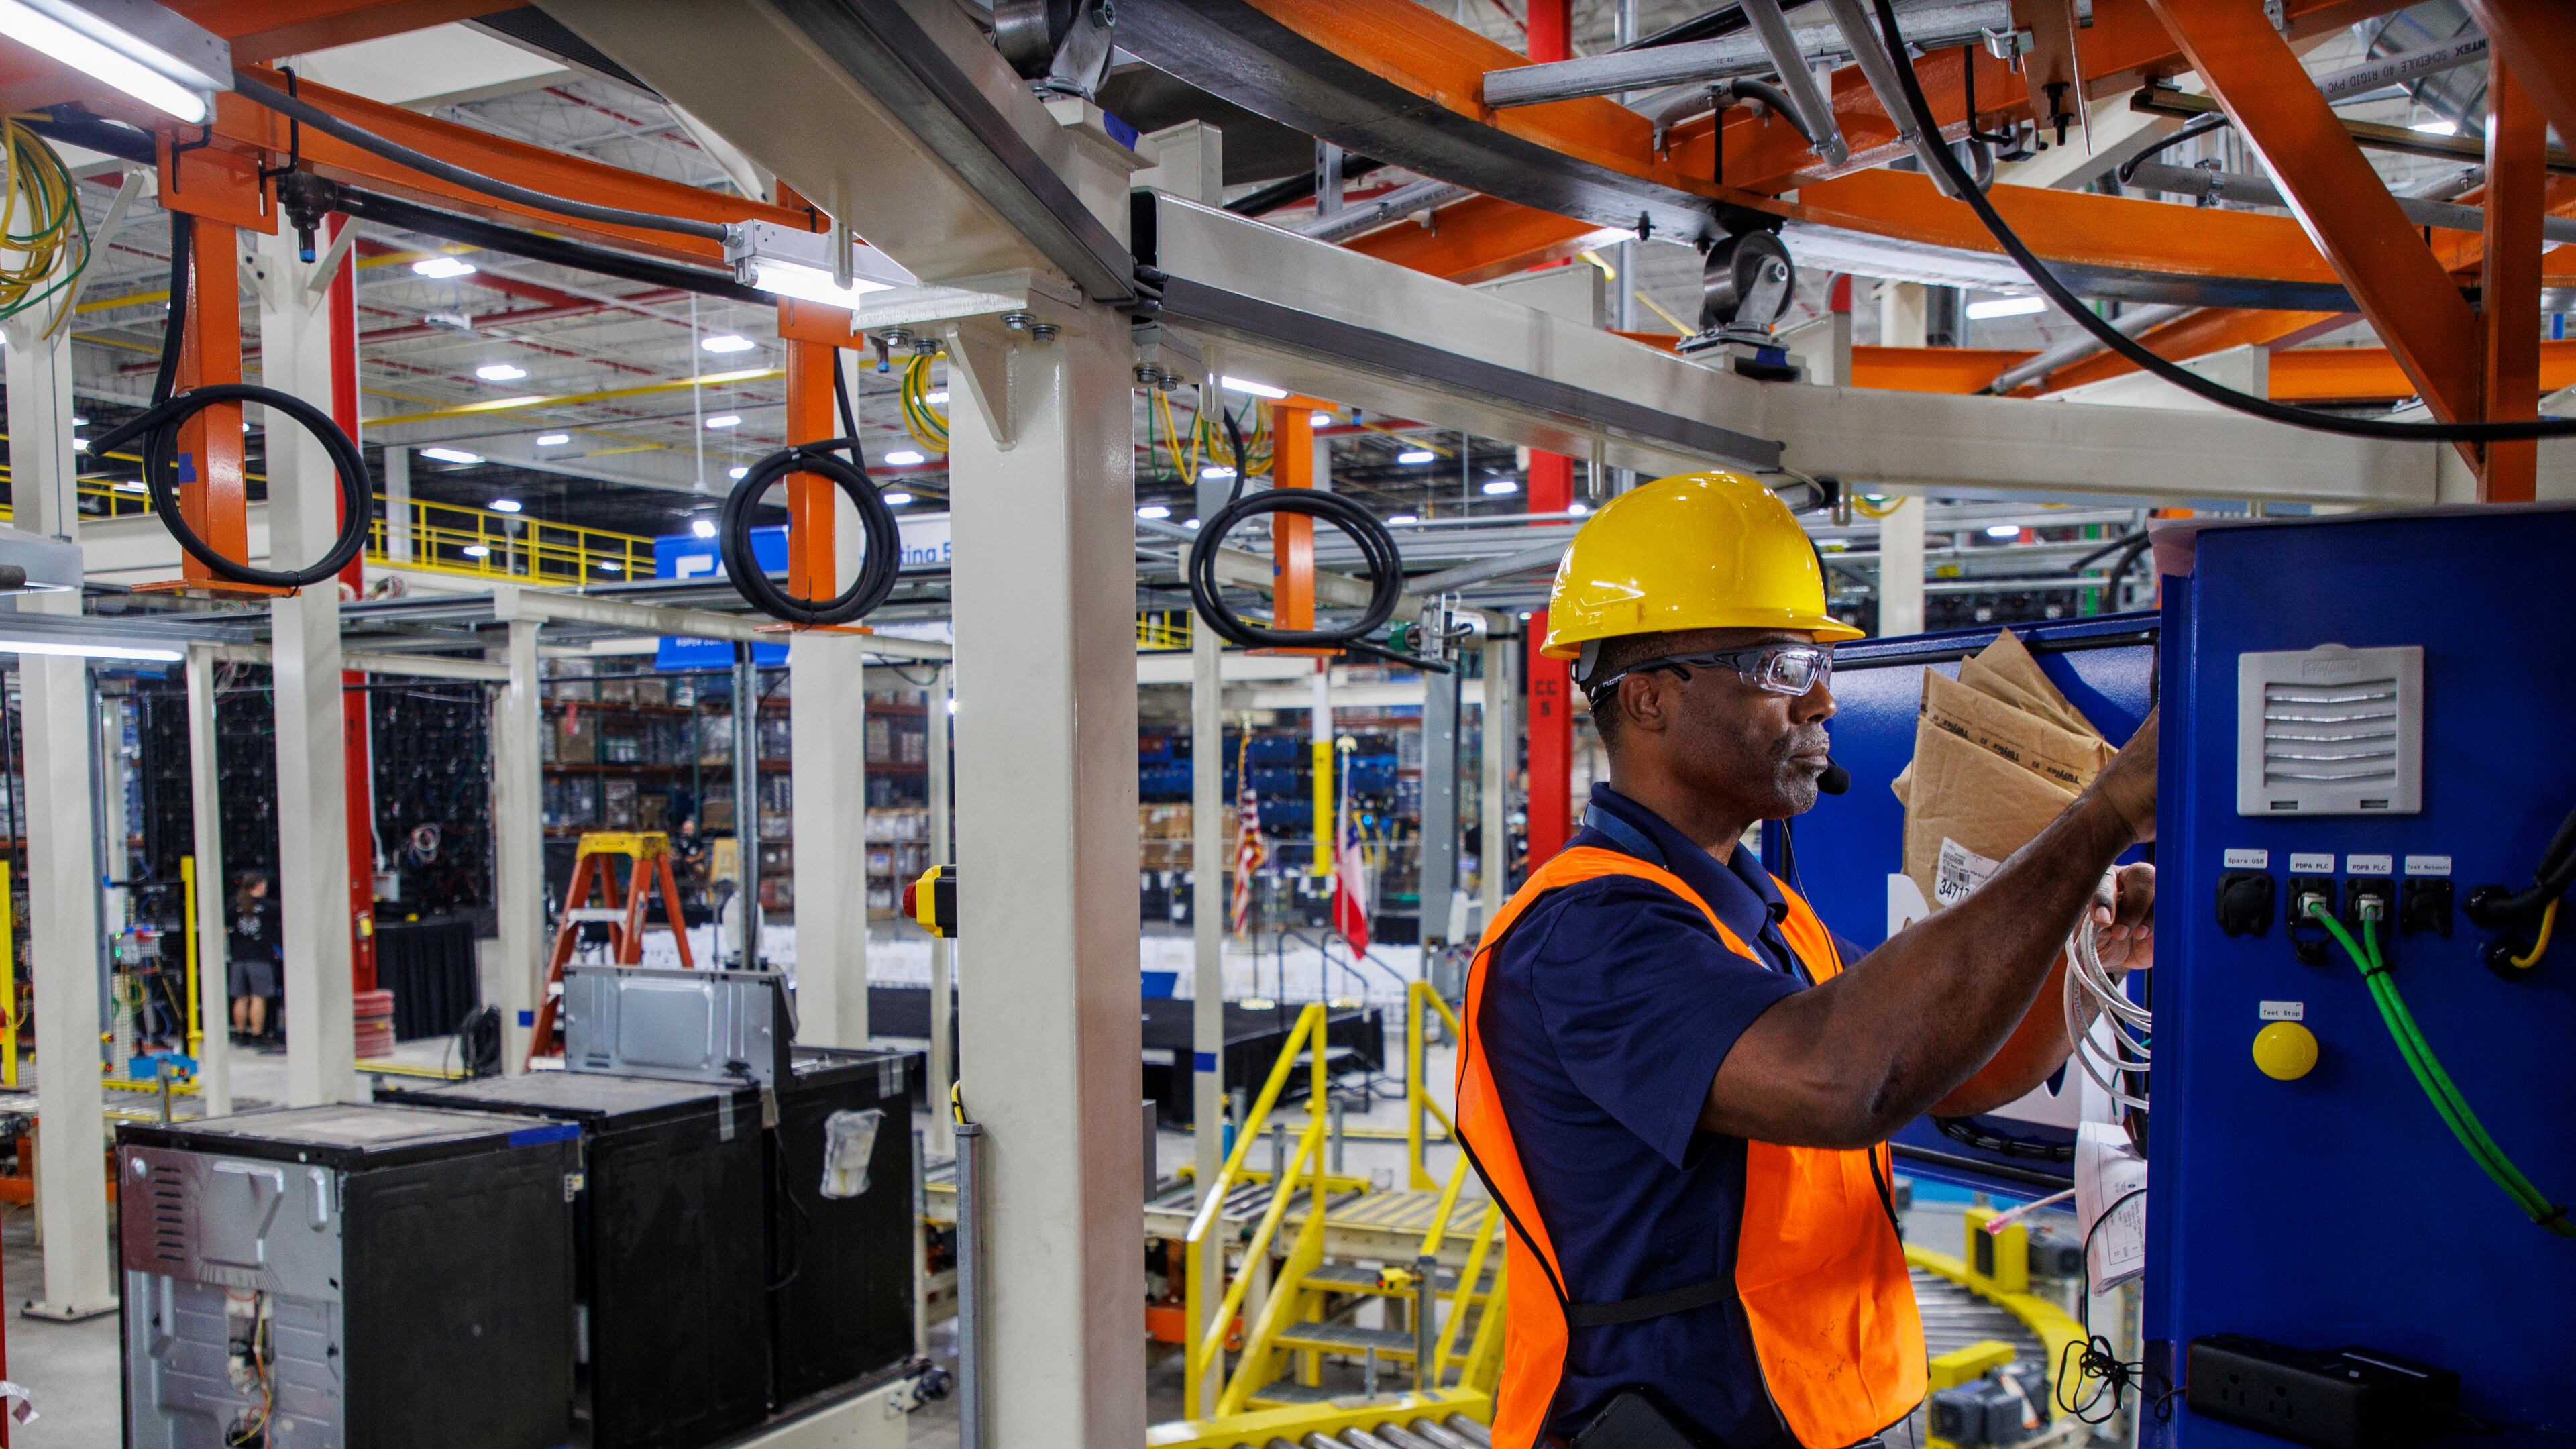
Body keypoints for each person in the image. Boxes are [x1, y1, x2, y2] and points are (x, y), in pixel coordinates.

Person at [1457, 473, 2157, 1449]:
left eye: (1818, 661)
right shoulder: (1587, 936)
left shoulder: (1766, 914)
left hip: (1837, 1411)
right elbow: (1844, 1083)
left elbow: (1947, 1071)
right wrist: (2105, 815)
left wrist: (2092, 960)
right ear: (1652, 699)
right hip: (1688, 1428)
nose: (1823, 697)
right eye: (1781, 665)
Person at [227, 872, 281, 1044]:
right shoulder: (271, 907)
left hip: (238, 958)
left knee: (240, 997)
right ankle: (257, 1034)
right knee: (258, 997)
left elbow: (225, 929)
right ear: (257, 885)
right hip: (260, 958)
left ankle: (241, 1034)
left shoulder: (234, 906)